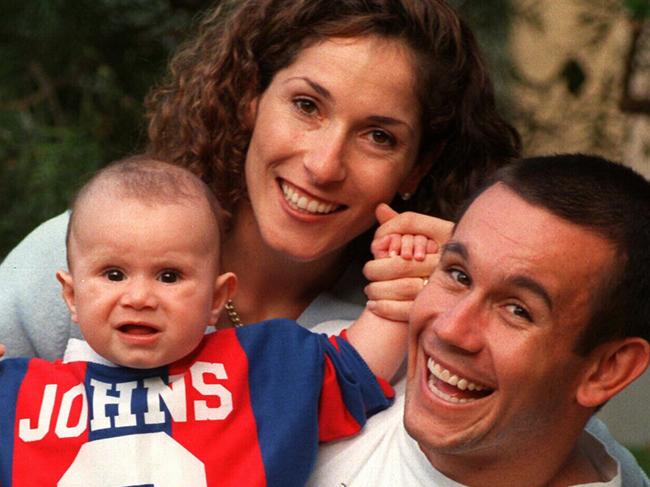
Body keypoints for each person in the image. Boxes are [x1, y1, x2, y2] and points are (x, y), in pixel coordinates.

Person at [0, 0, 645, 483]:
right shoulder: (88, 258)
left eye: (379, 136)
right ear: (250, 99)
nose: (324, 164)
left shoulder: (398, 327)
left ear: (417, 168)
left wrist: (471, 276)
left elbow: (561, 436)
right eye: (307, 106)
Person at [0, 157, 420, 486]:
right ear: (71, 296)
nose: (140, 298)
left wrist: (405, 276)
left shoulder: (261, 369)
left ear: (218, 298)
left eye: (169, 276)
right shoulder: (16, 393)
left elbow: (358, 367)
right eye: (113, 274)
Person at [308, 154, 650, 487]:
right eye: (459, 274)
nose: (449, 329)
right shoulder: (323, 371)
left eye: (517, 310)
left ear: (608, 369)